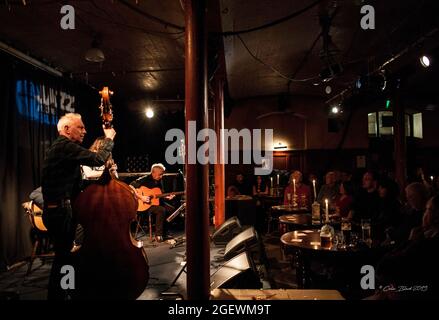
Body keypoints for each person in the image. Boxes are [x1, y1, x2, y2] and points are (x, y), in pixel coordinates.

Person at [41, 113, 116, 300]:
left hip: (60, 211)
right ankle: (60, 296)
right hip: (60, 212)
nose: (85, 131)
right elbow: (98, 159)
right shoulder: (64, 146)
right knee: (63, 259)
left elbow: (78, 184)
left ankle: (67, 293)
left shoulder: (63, 149)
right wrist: (108, 138)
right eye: (80, 127)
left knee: (64, 258)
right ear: (67, 129)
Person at [130, 163, 175, 242]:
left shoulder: (160, 180)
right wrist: (141, 197)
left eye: (162, 174)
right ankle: (158, 235)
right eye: (160, 174)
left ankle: (165, 232)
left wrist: (166, 197)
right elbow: (130, 186)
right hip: (143, 205)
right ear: (153, 173)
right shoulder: (145, 179)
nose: (161, 176)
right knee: (161, 210)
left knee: (171, 209)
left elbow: (158, 195)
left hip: (154, 203)